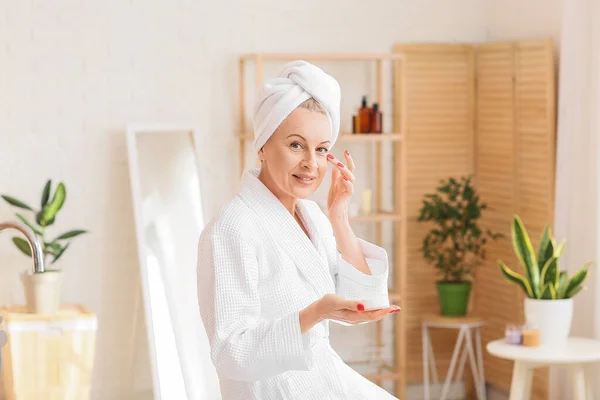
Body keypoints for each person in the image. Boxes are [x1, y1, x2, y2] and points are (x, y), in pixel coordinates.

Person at [197, 60, 400, 400]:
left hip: (324, 380)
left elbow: (366, 301)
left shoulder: (313, 216)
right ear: (262, 145)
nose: (311, 163)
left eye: (321, 149)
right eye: (295, 145)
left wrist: (340, 217)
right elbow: (231, 354)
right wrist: (314, 314)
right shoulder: (232, 230)